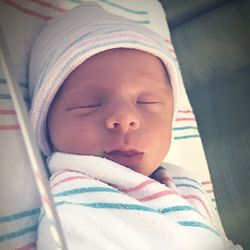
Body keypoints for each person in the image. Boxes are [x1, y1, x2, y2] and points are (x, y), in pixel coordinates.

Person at [29, 2, 241, 249]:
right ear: (45, 123)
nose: (125, 117)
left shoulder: (184, 182)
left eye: (146, 101)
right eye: (89, 105)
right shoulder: (73, 206)